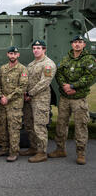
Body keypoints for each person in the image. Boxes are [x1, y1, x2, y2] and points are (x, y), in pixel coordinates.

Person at [49, 35, 96, 165]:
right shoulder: (66, 58)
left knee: (80, 125)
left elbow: (90, 76)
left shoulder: (89, 59)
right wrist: (65, 86)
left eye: (80, 42)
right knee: (61, 124)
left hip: (79, 98)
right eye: (75, 42)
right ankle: (60, 149)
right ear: (71, 44)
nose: (77, 44)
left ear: (84, 45)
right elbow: (59, 73)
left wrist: (73, 86)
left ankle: (81, 153)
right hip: (65, 97)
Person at [21, 40, 56, 163]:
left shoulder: (48, 64)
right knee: (29, 124)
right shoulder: (31, 64)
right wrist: (26, 93)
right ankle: (33, 147)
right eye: (34, 48)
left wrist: (30, 93)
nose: (36, 50)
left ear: (44, 49)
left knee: (39, 125)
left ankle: (41, 153)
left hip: (40, 99)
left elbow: (44, 82)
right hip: (29, 99)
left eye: (39, 48)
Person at [0, 46, 28, 162]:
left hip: (15, 104)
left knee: (13, 128)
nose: (13, 56)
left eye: (15, 54)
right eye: (11, 53)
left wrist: (8, 98)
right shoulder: (3, 68)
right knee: (1, 127)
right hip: (3, 103)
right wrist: (1, 96)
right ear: (8, 55)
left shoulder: (22, 69)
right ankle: (4, 148)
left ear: (18, 55)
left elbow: (22, 87)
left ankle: (14, 152)